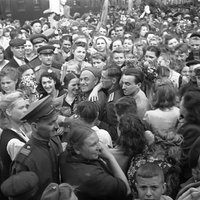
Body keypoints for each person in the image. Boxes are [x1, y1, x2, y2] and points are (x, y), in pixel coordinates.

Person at [59, 120, 131, 200]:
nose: (100, 147)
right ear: (77, 149)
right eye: (93, 145)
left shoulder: (65, 156)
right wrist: (111, 158)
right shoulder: (93, 177)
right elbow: (126, 191)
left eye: (98, 142)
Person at [11, 95, 63, 200]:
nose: (57, 126)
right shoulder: (25, 160)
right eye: (51, 123)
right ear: (35, 126)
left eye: (56, 121)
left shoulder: (53, 142)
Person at [0, 91, 30, 188]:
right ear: (8, 112)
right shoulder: (14, 142)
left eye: (26, 106)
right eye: (21, 108)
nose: (26, 110)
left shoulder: (17, 130)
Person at [178, 89, 200, 183]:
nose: (179, 103)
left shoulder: (193, 130)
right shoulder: (186, 123)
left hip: (185, 174)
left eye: (181, 101)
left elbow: (185, 156)